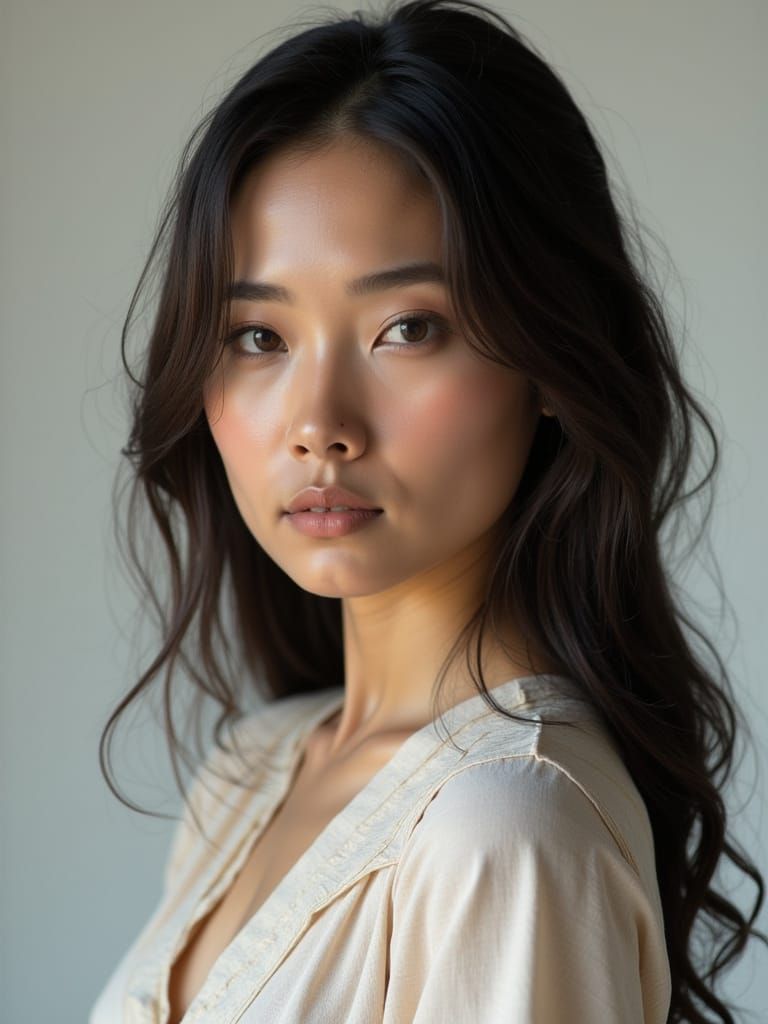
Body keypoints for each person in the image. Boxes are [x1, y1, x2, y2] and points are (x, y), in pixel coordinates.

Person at [89, 1, 766, 1021]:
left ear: (550, 358)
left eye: (407, 327)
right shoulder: (255, 769)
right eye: (259, 337)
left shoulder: (505, 830)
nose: (319, 425)